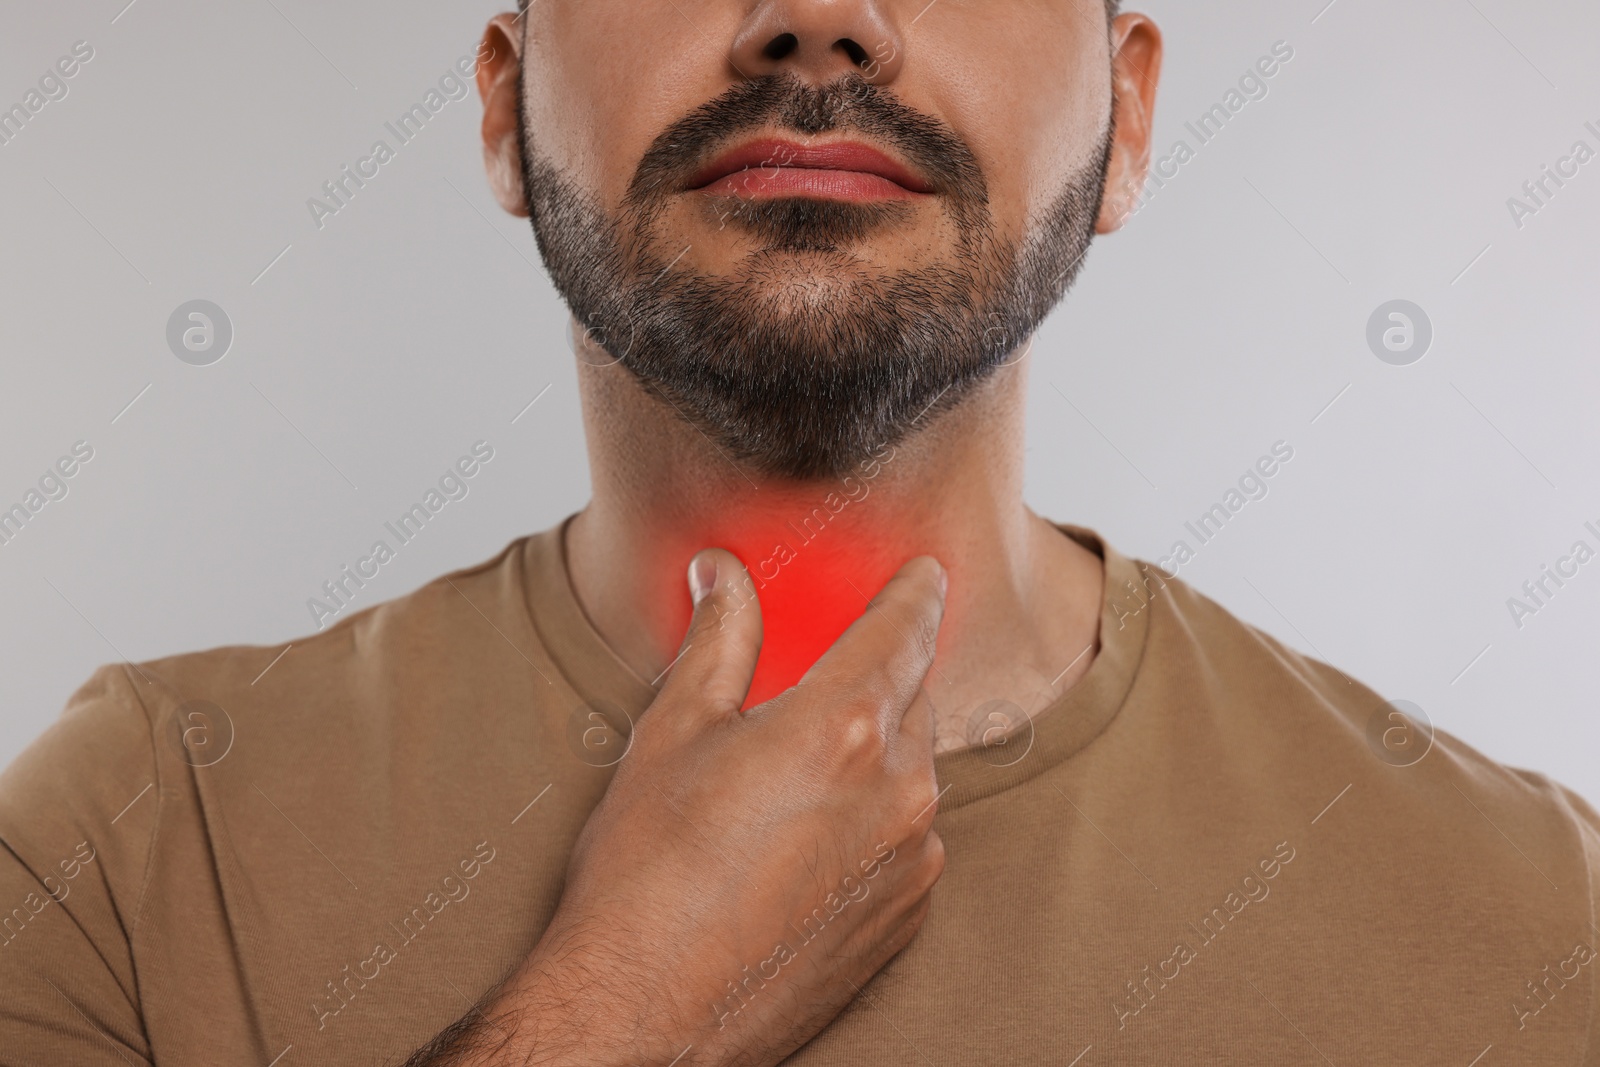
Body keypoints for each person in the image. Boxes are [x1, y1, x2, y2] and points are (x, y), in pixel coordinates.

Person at [2, 2, 1596, 1064]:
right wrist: (626, 1007)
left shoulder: (1545, 933)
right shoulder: (128, 855)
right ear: (506, 107)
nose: (824, 11)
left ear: (1127, 111)